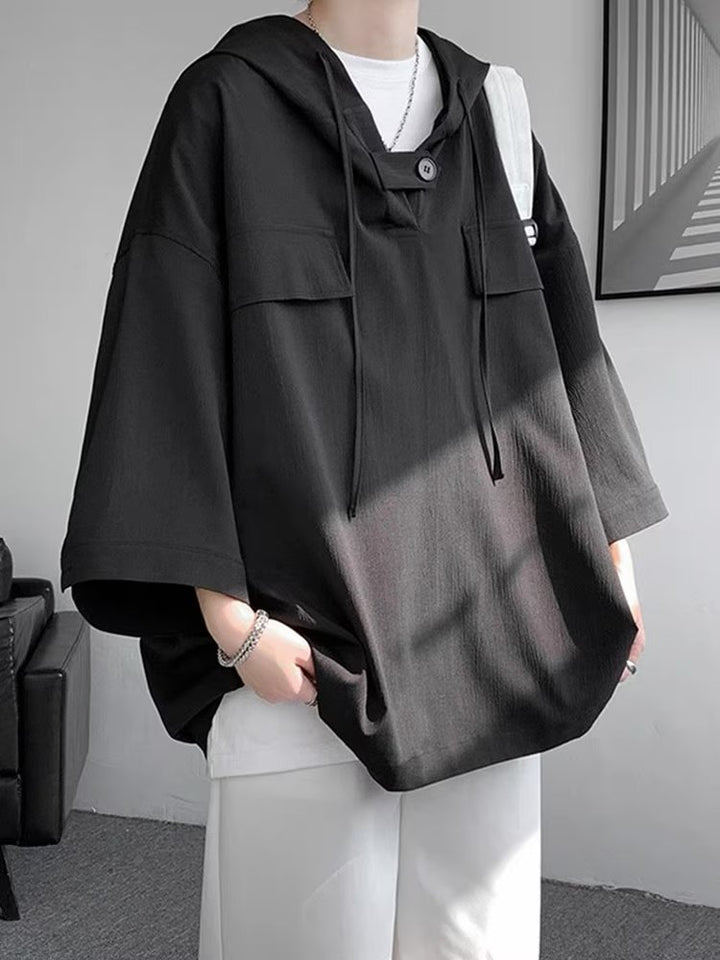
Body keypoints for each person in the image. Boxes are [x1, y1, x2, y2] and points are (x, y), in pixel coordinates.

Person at [59, 2, 669, 958]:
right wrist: (232, 624)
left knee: (476, 947)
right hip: (300, 658)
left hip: (493, 643)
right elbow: (166, 355)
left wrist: (613, 558)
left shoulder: (496, 109)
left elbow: (562, 351)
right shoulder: (227, 104)